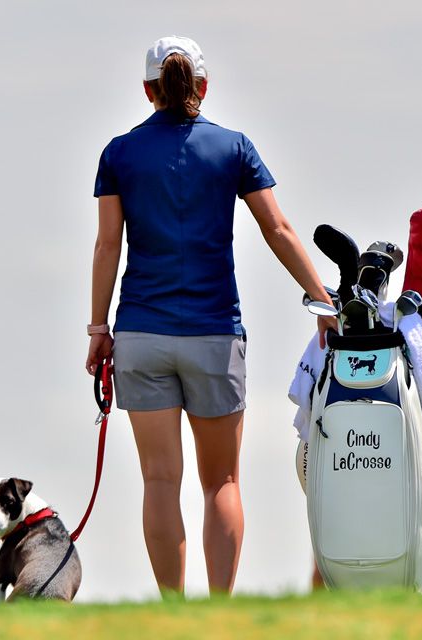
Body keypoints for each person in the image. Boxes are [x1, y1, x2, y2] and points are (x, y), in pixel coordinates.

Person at [86, 35, 336, 598]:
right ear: (203, 87)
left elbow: (107, 247)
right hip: (215, 335)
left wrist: (98, 329)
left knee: (158, 480)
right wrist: (323, 300)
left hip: (141, 334)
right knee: (220, 481)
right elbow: (279, 230)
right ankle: (219, 612)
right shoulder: (234, 147)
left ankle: (176, 615)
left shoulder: (119, 154)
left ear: (148, 90)